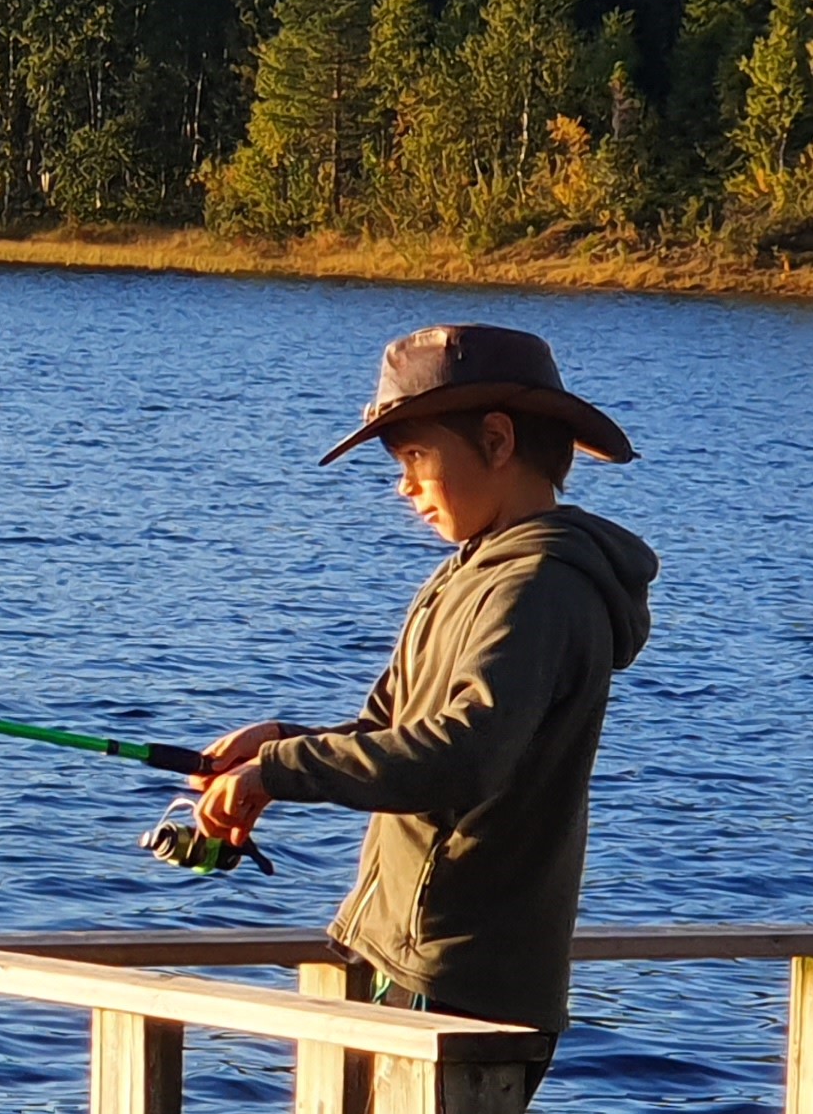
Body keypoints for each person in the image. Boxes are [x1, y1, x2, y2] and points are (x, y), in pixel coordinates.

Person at [193, 321, 657, 1055]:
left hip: (462, 983)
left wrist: (282, 773)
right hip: (410, 958)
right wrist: (279, 746)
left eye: (415, 455)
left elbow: (463, 756)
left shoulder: (538, 587)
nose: (403, 484)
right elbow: (392, 730)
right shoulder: (472, 573)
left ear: (499, 442)